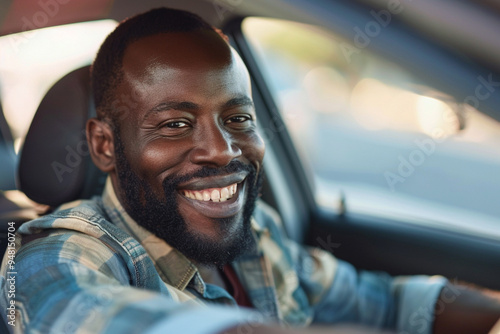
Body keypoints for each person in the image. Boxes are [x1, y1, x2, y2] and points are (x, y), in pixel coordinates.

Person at [1, 7, 499, 334]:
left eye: (238, 118)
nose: (221, 151)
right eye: (175, 124)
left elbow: (385, 302)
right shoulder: (57, 255)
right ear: (104, 146)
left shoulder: (258, 232)